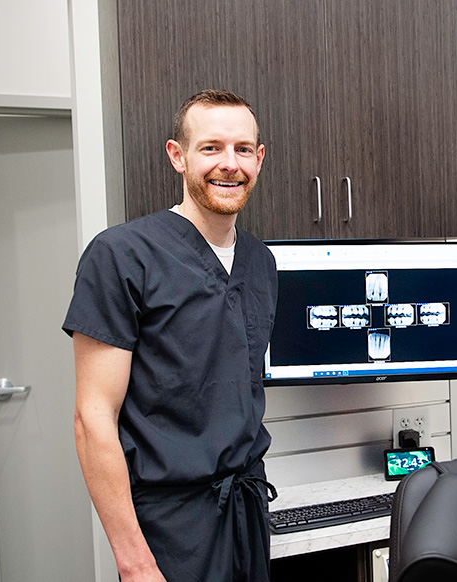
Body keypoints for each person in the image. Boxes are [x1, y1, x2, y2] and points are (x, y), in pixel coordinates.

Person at [64, 89, 278, 581]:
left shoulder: (261, 263)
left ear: (259, 159)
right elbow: (91, 418)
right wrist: (134, 561)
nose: (230, 164)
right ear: (177, 156)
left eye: (243, 149)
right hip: (169, 528)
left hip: (246, 514)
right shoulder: (121, 256)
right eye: (211, 148)